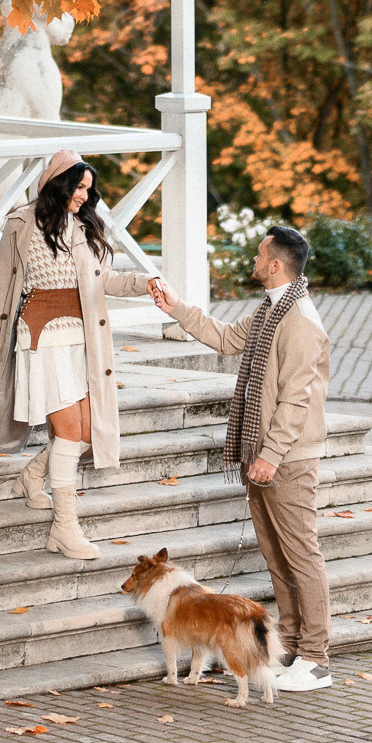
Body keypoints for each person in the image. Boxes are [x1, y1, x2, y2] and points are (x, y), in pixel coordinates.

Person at [0, 148, 159, 558]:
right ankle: (64, 527)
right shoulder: (21, 224)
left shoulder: (84, 227)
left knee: (87, 432)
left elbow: (106, 280)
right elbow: (1, 290)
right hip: (41, 338)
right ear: (59, 182)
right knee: (70, 431)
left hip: (82, 339)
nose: (84, 196)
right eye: (79, 187)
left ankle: (32, 475)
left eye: (88, 190)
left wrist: (144, 283)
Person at [150, 222, 334, 693]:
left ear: (274, 264)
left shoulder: (300, 321)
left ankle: (316, 660)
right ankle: (290, 647)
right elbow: (228, 338)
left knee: (301, 556)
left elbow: (296, 398)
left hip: (287, 458)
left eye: (258, 254)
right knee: (276, 557)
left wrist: (270, 455)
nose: (252, 260)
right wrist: (176, 307)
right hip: (263, 454)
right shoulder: (271, 310)